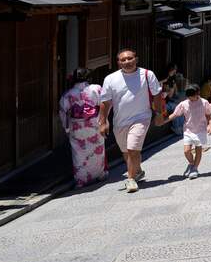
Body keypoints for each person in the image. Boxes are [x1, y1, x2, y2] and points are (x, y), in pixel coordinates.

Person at [99, 49, 164, 193]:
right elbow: (105, 102)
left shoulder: (147, 75)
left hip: (142, 117)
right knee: (126, 152)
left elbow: (157, 94)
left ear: (136, 59)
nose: (127, 62)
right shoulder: (110, 79)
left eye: (130, 59)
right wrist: (103, 122)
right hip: (120, 121)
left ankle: (130, 179)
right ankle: (138, 171)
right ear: (118, 62)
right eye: (123, 60)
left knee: (132, 148)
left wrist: (159, 113)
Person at [58, 68, 106, 188]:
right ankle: (100, 174)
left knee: (78, 153)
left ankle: (81, 180)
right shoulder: (96, 88)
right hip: (95, 123)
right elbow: (104, 105)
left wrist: (67, 127)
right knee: (97, 150)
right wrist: (104, 121)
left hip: (77, 126)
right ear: (89, 78)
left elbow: (63, 112)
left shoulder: (68, 94)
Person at [156, 83, 211, 179]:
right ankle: (191, 163)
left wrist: (210, 125)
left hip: (200, 130)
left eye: (193, 96)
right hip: (188, 130)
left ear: (198, 93)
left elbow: (208, 115)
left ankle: (195, 168)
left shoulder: (204, 102)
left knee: (198, 150)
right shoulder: (184, 104)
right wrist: (163, 122)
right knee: (186, 151)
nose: (191, 99)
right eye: (189, 97)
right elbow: (174, 114)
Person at [161, 63, 186, 136]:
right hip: (161, 103)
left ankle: (181, 127)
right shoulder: (162, 79)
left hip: (167, 101)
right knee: (176, 107)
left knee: (180, 106)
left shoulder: (172, 80)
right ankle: (177, 127)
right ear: (169, 70)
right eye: (173, 70)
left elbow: (172, 94)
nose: (174, 72)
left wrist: (171, 89)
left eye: (175, 71)